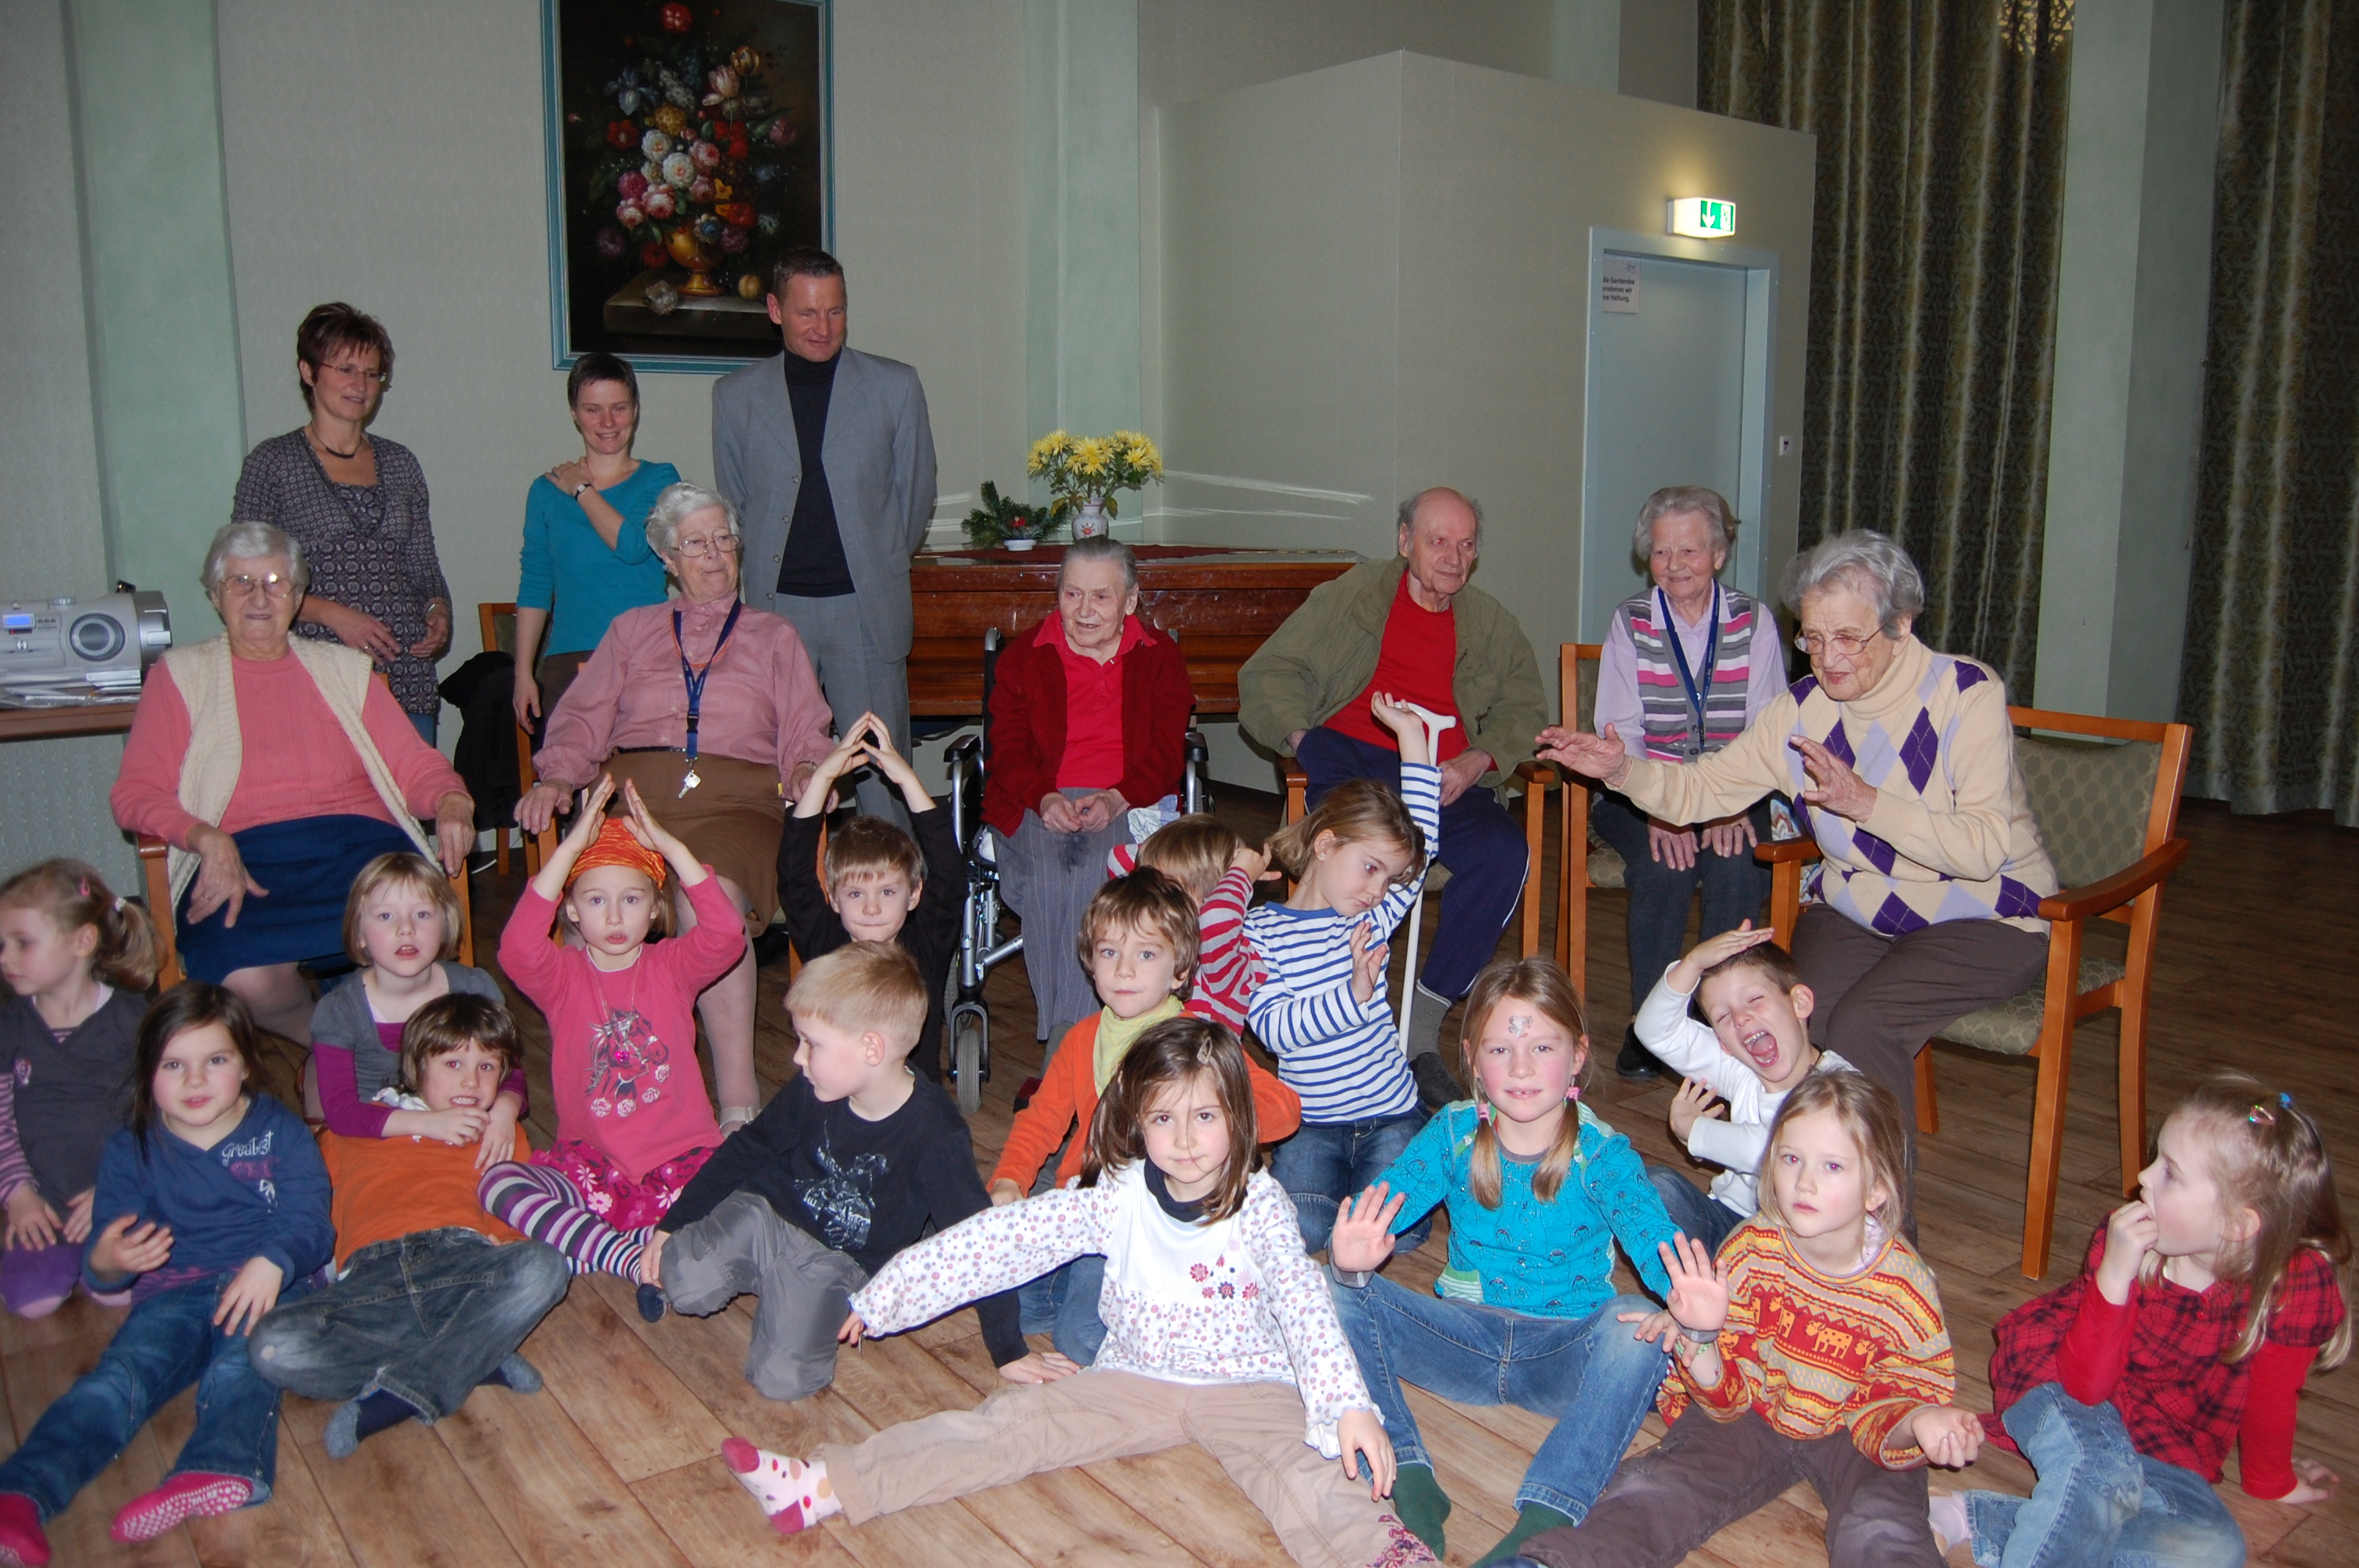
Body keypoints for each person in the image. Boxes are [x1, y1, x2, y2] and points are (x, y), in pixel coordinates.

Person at [717, 1017, 1437, 1568]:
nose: (1185, 1139)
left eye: (1206, 1117)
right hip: (1133, 1378)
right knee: (1010, 1425)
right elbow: (1007, 1239)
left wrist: (1345, 1406)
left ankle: (1391, 1558)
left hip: (1251, 1387)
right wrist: (890, 1291)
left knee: (1309, 1480)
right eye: (1163, 1118)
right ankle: (824, 1484)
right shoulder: (1117, 1196)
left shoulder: (1263, 1206)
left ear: (1238, 1121)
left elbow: (1304, 1306)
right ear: (1138, 1122)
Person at [1537, 528, 2059, 1130]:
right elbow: (1702, 790)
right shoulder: (1799, 710)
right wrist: (1622, 770)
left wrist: (1867, 804)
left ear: (1901, 626)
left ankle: (1880, 1215)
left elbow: (1983, 847)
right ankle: (1784, 1194)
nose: (1827, 657)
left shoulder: (1967, 695)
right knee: (1783, 1018)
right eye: (1811, 637)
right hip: (1862, 908)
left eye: (1847, 637)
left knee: (1866, 1025)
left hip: (1985, 914)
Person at [1500, 1073, 1980, 1568]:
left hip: (1858, 1432)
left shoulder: (1906, 1290)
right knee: (1660, 1486)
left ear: (1877, 1189)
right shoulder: (1752, 1252)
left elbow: (1905, 1398)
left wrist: (1920, 1422)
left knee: (1884, 1530)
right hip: (1756, 1410)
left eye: (1833, 1166)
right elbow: (1725, 1401)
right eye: (1791, 1159)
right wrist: (1703, 1338)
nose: (1805, 1182)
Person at [1329, 956, 1680, 1565]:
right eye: (1500, 1049)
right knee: (1333, 1289)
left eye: (1541, 1046)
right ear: (1471, 1059)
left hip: (1564, 1354)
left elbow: (1652, 1233)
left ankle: (1545, 1520)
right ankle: (1409, 1471)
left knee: (1637, 1328)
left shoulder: (1602, 1153)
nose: (1520, 1068)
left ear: (1577, 1056)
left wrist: (1685, 1301)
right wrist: (1350, 1253)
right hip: (1464, 1340)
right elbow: (1387, 1196)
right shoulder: (1453, 1131)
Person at [1933, 1073, 2349, 1566]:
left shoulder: (2297, 1283)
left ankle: (1966, 1516)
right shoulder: (2128, 1242)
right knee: (2099, 1470)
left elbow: (2272, 1395)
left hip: (2166, 1433)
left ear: (2239, 1224)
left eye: (2170, 1172)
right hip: (2061, 1382)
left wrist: (2273, 1480)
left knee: (2216, 1550)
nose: (2143, 1178)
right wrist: (2115, 1275)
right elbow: (2086, 1390)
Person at [518, 481, 832, 1129]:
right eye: (695, 543)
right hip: (631, 804)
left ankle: (738, 1103)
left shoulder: (774, 637)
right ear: (667, 557)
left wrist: (805, 768)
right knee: (592, 906)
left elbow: (807, 727)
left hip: (735, 805)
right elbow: (582, 720)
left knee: (705, 898)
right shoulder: (631, 632)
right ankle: (603, 1090)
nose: (714, 555)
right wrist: (556, 777)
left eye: (724, 540)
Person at [0, 984, 333, 1561]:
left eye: (216, 1060)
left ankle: (219, 1466)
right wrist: (108, 1260)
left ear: (248, 1065)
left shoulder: (279, 1130)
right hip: (171, 1293)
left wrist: (273, 1263)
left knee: (245, 1364)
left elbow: (313, 1224)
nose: (196, 1080)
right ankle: (20, 1496)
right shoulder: (130, 1149)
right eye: (174, 1064)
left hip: (265, 1287)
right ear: (146, 1072)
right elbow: (104, 1271)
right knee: (117, 1380)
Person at [1240, 488, 1548, 1110]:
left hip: (1442, 774)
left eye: (1466, 546)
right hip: (1354, 761)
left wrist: (1479, 758)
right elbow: (1267, 672)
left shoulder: (1490, 623)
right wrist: (1301, 736)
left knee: (1502, 852)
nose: (1452, 558)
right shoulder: (1349, 598)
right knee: (1351, 860)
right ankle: (1323, 1011)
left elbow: (1525, 710)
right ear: (1404, 541)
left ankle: (1422, 1017)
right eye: (1437, 542)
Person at [112, 521, 473, 1042]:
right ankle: (350, 1051)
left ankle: (371, 1056)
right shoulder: (180, 676)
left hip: (360, 849)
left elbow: (416, 766)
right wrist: (202, 837)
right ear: (216, 595)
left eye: (277, 581)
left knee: (410, 933)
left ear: (299, 595)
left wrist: (451, 800)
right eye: (240, 582)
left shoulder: (345, 670)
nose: (259, 597)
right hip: (240, 858)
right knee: (247, 978)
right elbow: (135, 793)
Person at [641, 943, 1031, 1398]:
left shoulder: (935, 1136)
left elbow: (977, 1243)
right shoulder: (814, 1087)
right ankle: (767, 1280)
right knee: (683, 1278)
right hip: (766, 1213)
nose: (797, 1058)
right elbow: (748, 1148)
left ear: (870, 1048)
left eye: (812, 1043)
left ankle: (786, 1295)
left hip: (838, 1259)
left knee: (783, 1380)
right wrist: (674, 1223)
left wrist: (1009, 1350)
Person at [987, 872, 1302, 1366]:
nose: (1125, 971)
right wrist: (1010, 1177)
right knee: (1014, 1308)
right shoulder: (1081, 1038)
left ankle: (1179, 1350)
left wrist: (1210, 1119)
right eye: (1110, 953)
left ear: (1180, 971)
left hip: (1150, 1219)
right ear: (1091, 962)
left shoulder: (1198, 1041)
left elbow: (1284, 1109)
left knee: (1081, 1338)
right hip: (1086, 1200)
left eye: (1146, 954)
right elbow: (1041, 1120)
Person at [249, 994, 568, 1458]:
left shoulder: (502, 1133)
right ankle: (472, 1354)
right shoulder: (351, 1132)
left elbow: (525, 1209)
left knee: (544, 1266)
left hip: (464, 1264)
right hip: (371, 1282)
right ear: (416, 1068)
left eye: (487, 1067)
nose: (471, 1080)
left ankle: (406, 1390)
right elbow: (311, 1212)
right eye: (453, 1062)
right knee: (271, 1347)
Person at [480, 779, 743, 1294]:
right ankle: (628, 1254)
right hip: (591, 1171)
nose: (616, 916)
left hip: (682, 1164)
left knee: (747, 1190)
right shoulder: (562, 977)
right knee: (499, 1184)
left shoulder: (672, 966)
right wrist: (570, 848)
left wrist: (672, 848)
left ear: (654, 909)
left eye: (631, 899)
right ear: (571, 910)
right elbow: (516, 948)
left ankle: (595, 1247)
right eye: (596, 900)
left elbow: (726, 935)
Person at [711, 245, 938, 823]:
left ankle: (898, 905)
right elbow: (736, 503)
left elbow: (914, 499)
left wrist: (878, 558)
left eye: (835, 312)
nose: (823, 327)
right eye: (808, 313)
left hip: (865, 609)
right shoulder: (734, 397)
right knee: (780, 771)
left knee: (883, 777)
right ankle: (791, 903)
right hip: (776, 612)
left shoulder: (896, 387)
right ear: (775, 309)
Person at [1590, 488, 1789, 1080]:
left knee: (1738, 862)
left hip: (1738, 791)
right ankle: (1652, 1026)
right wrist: (1663, 810)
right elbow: (1618, 733)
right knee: (1665, 864)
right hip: (1638, 793)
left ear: (1720, 554)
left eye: (1690, 550)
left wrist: (1727, 805)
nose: (1674, 564)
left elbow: (1769, 729)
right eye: (1660, 552)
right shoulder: (1631, 623)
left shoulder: (1755, 622)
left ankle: (1727, 1021)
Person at [982, 536, 1195, 1048]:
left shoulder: (1158, 657)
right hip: (1037, 797)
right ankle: (1079, 1040)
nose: (1084, 610)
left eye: (1101, 597)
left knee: (1092, 880)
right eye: (1072, 594)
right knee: (1050, 879)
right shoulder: (1024, 658)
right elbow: (1006, 749)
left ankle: (1066, 1042)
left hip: (1128, 798)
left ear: (1130, 601)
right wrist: (1045, 797)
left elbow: (1167, 752)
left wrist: (1118, 797)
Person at [1249, 692, 1439, 1254]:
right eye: (1372, 869)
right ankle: (1349, 1218)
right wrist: (1354, 994)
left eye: (1390, 879)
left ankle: (1368, 1211)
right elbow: (1275, 1031)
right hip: (1311, 1123)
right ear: (1326, 843)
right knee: (1302, 1229)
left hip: (1391, 1112)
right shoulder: (1259, 932)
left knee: (1405, 1229)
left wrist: (1411, 735)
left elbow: (1425, 835)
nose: (1379, 891)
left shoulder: (1373, 917)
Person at [231, 302, 451, 742]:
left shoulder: (401, 462)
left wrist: (437, 611)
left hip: (404, 677)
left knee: (409, 808)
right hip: (313, 673)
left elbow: (424, 566)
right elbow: (241, 579)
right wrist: (334, 615)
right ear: (309, 372)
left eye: (372, 374)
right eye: (347, 369)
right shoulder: (273, 463)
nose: (360, 385)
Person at [1635, 924, 1858, 1256]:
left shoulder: (1840, 1086)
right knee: (1653, 1190)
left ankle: (1732, 1296)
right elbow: (1654, 1031)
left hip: (1802, 1241)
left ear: (1799, 1002)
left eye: (1754, 999)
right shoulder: (1740, 1068)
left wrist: (1694, 1130)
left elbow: (1776, 1154)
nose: (1740, 1018)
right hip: (1733, 1224)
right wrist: (1693, 963)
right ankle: (1701, 1298)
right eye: (1723, 1016)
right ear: (1723, 1044)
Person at [0, 860, 159, 1318]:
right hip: (44, 1206)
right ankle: (56, 1246)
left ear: (83, 941)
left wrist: (116, 1189)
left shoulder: (133, 1021)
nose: (5, 958)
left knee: (119, 1289)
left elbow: (160, 1116)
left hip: (125, 1199)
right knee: (33, 1302)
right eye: (2, 944)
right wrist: (19, 1197)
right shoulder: (11, 1025)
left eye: (23, 943)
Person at [776, 713, 959, 1083]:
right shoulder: (827, 946)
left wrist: (907, 779)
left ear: (914, 895)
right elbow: (794, 875)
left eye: (888, 892)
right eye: (856, 893)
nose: (872, 908)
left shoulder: (924, 946)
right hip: (836, 1102)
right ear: (833, 898)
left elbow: (949, 871)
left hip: (909, 1110)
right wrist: (824, 777)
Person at [307, 852, 520, 1160]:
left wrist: (504, 1112)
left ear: (446, 923)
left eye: (422, 914)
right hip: (376, 1135)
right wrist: (429, 1123)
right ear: (359, 933)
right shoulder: (340, 1010)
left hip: (467, 1120)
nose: (406, 929)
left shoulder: (475, 988)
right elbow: (342, 1113)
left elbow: (509, 1071)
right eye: (385, 916)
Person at [513, 351, 680, 735]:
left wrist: (581, 489)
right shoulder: (545, 491)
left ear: (635, 410)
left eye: (618, 408)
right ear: (574, 412)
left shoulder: (660, 478)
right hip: (572, 659)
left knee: (646, 784)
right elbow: (536, 585)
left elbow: (633, 545)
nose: (607, 422)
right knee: (573, 784)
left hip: (647, 657)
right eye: (593, 409)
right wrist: (523, 673)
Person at [1109, 813, 1270, 1031]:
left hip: (1199, 1063)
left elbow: (1216, 918)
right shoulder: (1156, 937)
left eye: (1170, 892)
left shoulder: (1224, 956)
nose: (1152, 898)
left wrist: (1241, 872)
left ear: (1212, 898)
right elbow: (1116, 857)